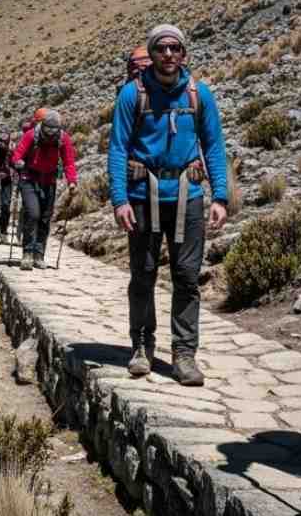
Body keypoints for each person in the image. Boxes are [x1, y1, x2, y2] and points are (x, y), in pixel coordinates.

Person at [107, 24, 229, 386]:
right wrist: (119, 199)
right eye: (161, 48)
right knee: (143, 275)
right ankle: (141, 346)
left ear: (184, 53)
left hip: (188, 196)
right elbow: (117, 148)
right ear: (153, 53)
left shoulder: (198, 95)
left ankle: (184, 354)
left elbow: (215, 145)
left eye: (175, 48)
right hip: (143, 197)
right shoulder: (132, 95)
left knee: (187, 277)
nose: (169, 54)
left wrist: (220, 196)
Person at [11, 110, 78, 270]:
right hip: (29, 179)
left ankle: (39, 255)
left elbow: (69, 162)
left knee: (45, 219)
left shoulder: (63, 139)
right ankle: (27, 253)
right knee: (33, 214)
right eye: (46, 132)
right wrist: (18, 162)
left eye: (52, 133)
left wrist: (72, 182)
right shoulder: (30, 135)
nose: (49, 136)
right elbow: (17, 154)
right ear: (42, 126)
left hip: (49, 181)